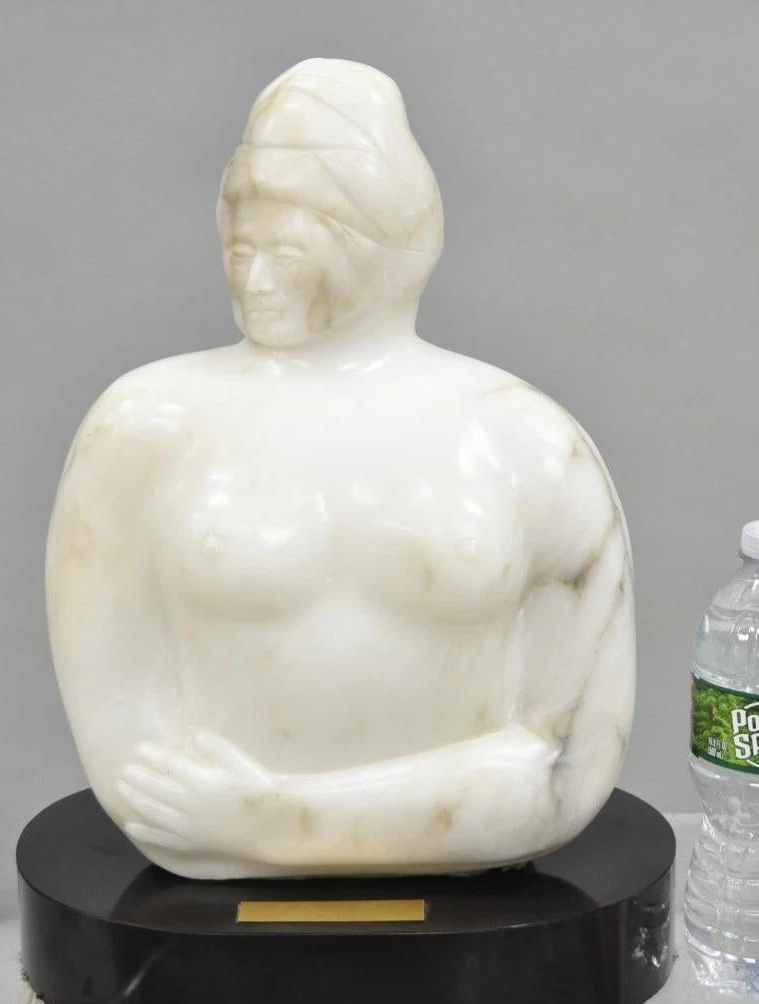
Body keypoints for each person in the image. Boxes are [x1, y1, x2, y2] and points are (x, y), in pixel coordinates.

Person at [47, 59, 634, 879]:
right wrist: (238, 822)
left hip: (426, 876)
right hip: (205, 864)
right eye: (239, 248)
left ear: (380, 250)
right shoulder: (144, 427)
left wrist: (268, 820)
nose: (253, 280)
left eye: (288, 253)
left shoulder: (526, 440)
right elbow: (141, 776)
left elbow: (566, 769)